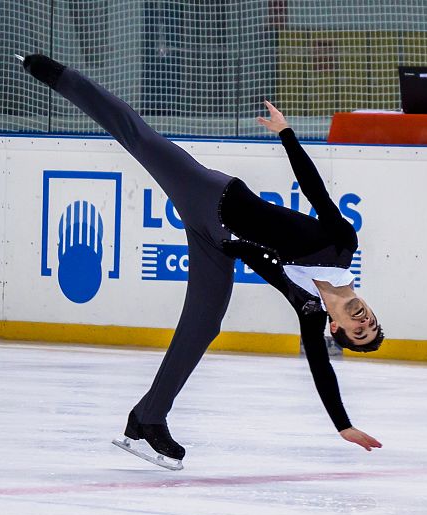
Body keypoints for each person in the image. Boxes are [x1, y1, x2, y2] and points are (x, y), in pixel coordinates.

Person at [19, 54, 384, 469]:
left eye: (359, 330)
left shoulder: (310, 308)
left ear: (337, 328)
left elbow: (322, 369)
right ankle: (53, 73)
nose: (364, 319)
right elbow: (316, 191)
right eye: (370, 320)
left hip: (217, 246)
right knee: (140, 138)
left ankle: (147, 418)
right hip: (213, 197)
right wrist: (287, 134)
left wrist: (343, 425)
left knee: (204, 326)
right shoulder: (342, 245)